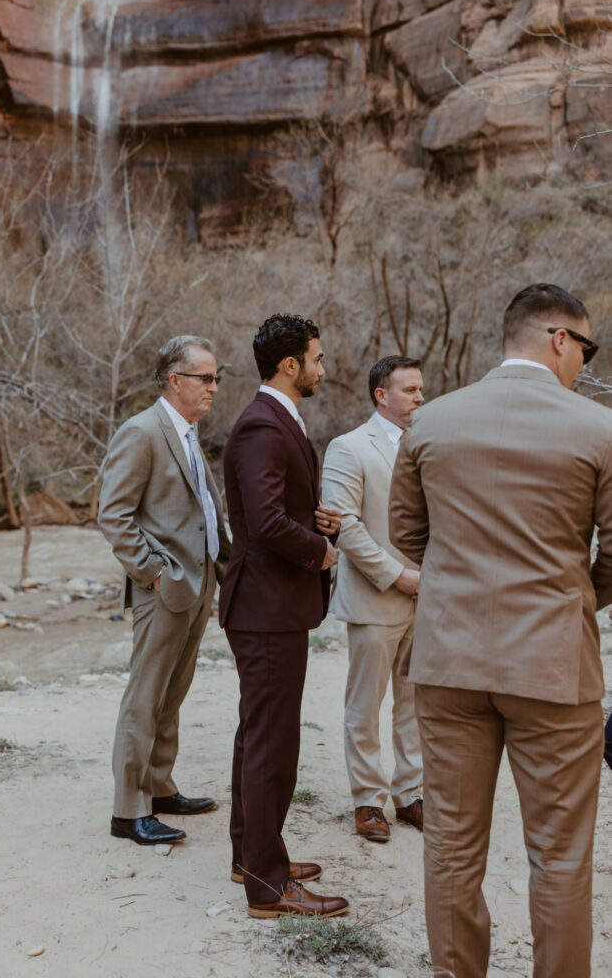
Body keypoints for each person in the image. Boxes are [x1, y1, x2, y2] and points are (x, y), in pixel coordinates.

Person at [388, 283, 612, 978]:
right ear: (556, 338)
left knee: (450, 846)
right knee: (560, 852)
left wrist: (462, 590)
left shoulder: (430, 423)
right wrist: (573, 597)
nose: (585, 362)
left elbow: (405, 535)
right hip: (552, 666)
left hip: (449, 663)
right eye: (586, 347)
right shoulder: (597, 428)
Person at [219, 313, 349, 919]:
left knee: (260, 735)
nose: (323, 369)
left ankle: (252, 854)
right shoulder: (261, 428)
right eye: (317, 359)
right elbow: (266, 523)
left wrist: (314, 520)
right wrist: (320, 551)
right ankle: (267, 886)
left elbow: (277, 508)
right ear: (290, 365)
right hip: (266, 607)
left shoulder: (276, 420)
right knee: (272, 743)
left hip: (272, 606)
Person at [98, 335, 230, 846]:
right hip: (165, 586)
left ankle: (159, 787)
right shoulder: (142, 431)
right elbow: (114, 514)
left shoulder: (188, 432)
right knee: (145, 696)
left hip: (200, 585)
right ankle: (128, 812)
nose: (214, 388)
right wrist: (153, 572)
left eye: (216, 378)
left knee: (172, 693)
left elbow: (202, 509)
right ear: (175, 381)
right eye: (206, 378)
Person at [322, 356, 424, 844]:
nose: (420, 397)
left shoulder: (430, 445)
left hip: (429, 598)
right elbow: (345, 527)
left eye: (421, 389)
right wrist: (397, 576)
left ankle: (412, 794)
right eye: (409, 390)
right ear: (382, 395)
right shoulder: (347, 448)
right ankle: (368, 800)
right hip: (376, 595)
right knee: (365, 705)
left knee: (416, 703)